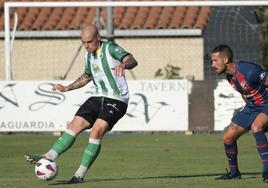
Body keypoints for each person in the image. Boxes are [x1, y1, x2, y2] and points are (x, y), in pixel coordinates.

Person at [24, 24, 138, 184]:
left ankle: (79, 175)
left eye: (89, 42)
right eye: (83, 42)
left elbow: (131, 59)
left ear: (98, 38)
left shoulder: (110, 48)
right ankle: (47, 157)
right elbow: (87, 76)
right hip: (97, 96)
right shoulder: (88, 56)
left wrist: (124, 64)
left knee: (96, 132)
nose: (86, 45)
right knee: (74, 125)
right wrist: (67, 87)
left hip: (117, 99)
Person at [211, 44, 268, 183]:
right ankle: (234, 173)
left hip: (266, 104)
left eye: (215, 61)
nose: (212, 65)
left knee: (256, 128)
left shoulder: (248, 70)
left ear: (225, 60)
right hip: (251, 107)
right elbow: (245, 93)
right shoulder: (230, 77)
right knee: (228, 137)